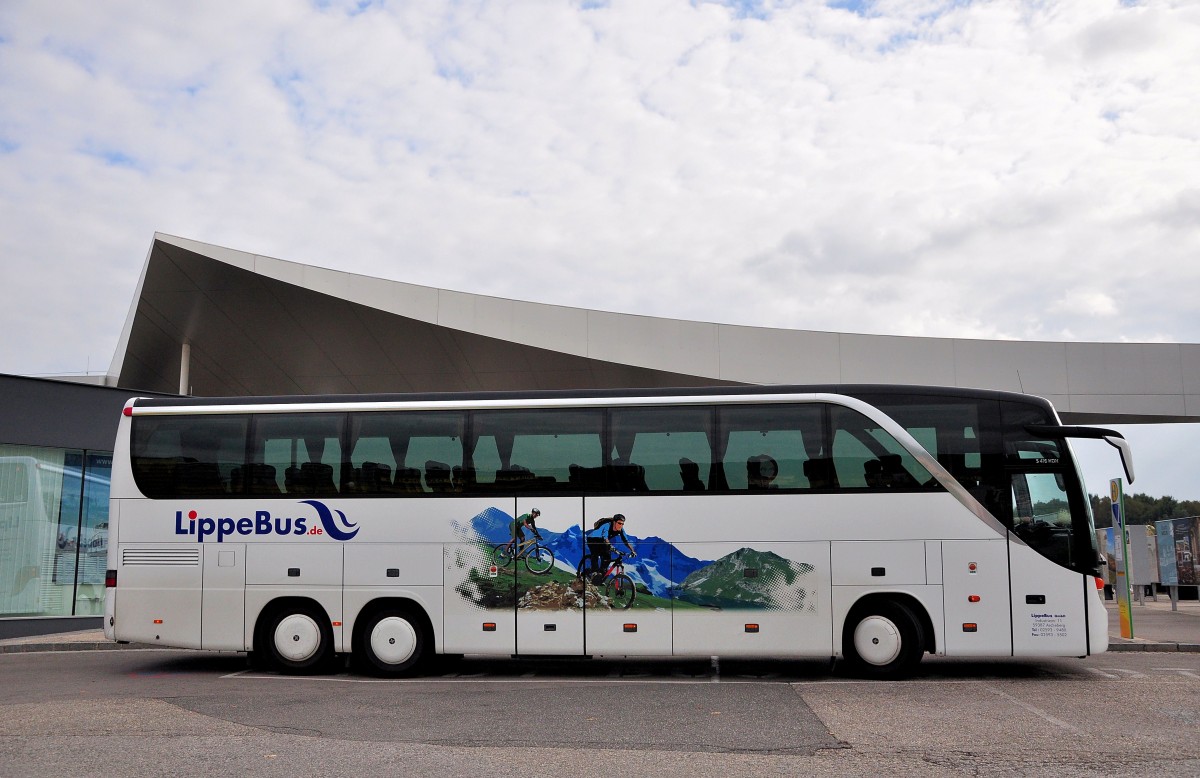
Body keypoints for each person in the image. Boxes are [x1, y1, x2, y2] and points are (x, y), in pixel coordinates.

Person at [581, 513, 636, 583]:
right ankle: (594, 573)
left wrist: (632, 550)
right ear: (614, 522)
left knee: (607, 557)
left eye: (622, 524)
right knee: (595, 554)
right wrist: (610, 546)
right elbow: (605, 537)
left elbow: (626, 540)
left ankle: (600, 575)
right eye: (619, 523)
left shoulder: (621, 529)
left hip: (603, 541)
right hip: (592, 539)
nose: (621, 525)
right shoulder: (607, 525)